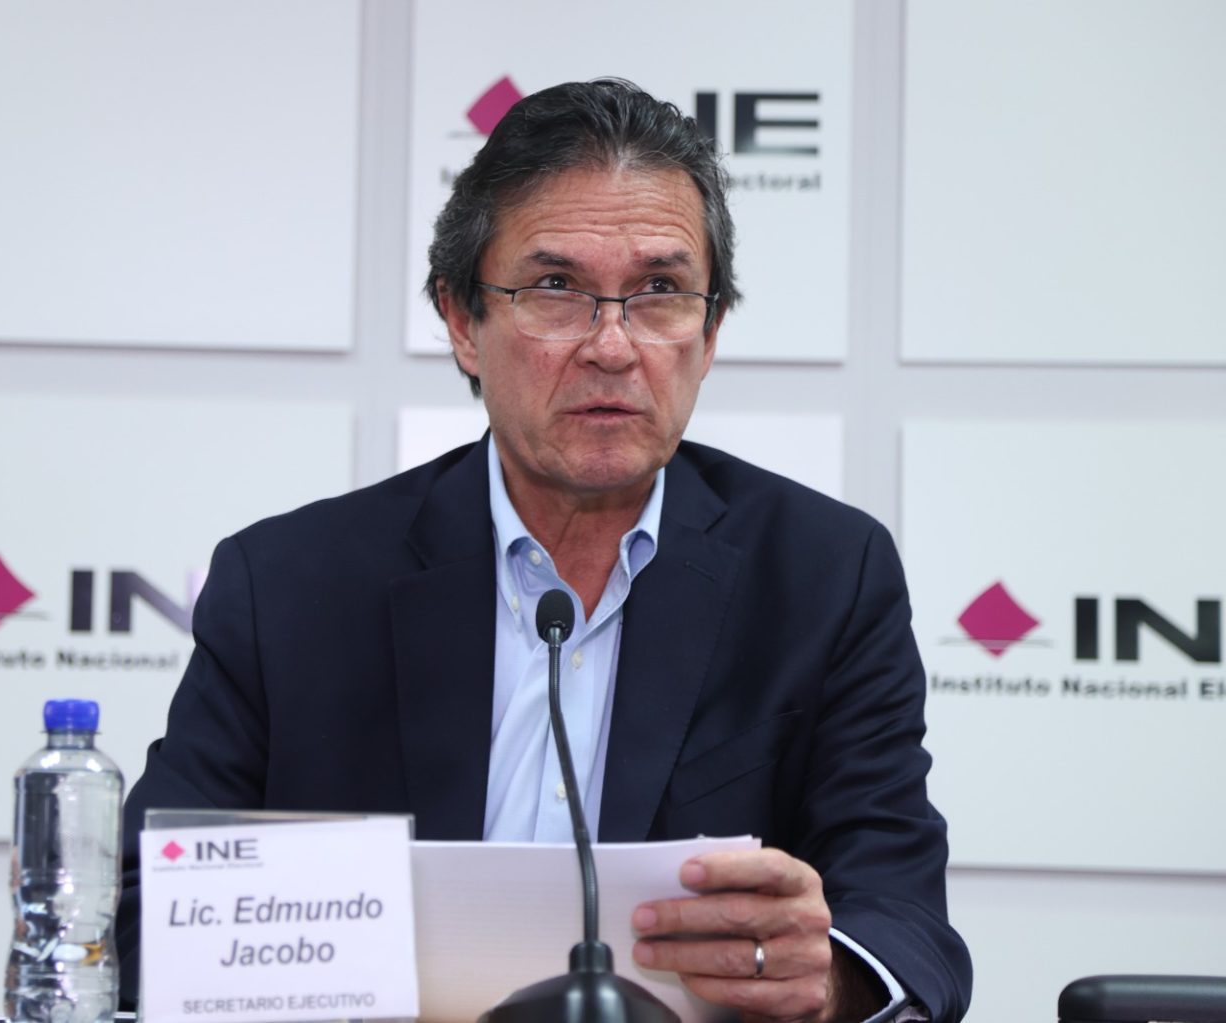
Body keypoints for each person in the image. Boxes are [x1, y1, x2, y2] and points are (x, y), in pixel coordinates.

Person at [117, 79, 971, 1022]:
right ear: (461, 320)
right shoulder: (289, 586)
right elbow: (146, 910)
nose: (612, 346)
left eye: (660, 292)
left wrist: (832, 975)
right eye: (556, 288)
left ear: (709, 332)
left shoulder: (823, 576)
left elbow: (904, 918)